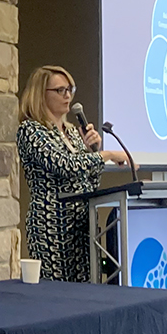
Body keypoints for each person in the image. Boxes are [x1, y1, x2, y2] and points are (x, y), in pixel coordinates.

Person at [16, 65, 131, 282]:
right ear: (40, 94)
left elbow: (89, 181)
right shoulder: (31, 130)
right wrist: (105, 155)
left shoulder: (72, 132)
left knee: (87, 291)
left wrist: (92, 151)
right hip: (52, 224)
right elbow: (63, 165)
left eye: (70, 89)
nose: (68, 95)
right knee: (59, 295)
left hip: (82, 224)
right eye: (60, 90)